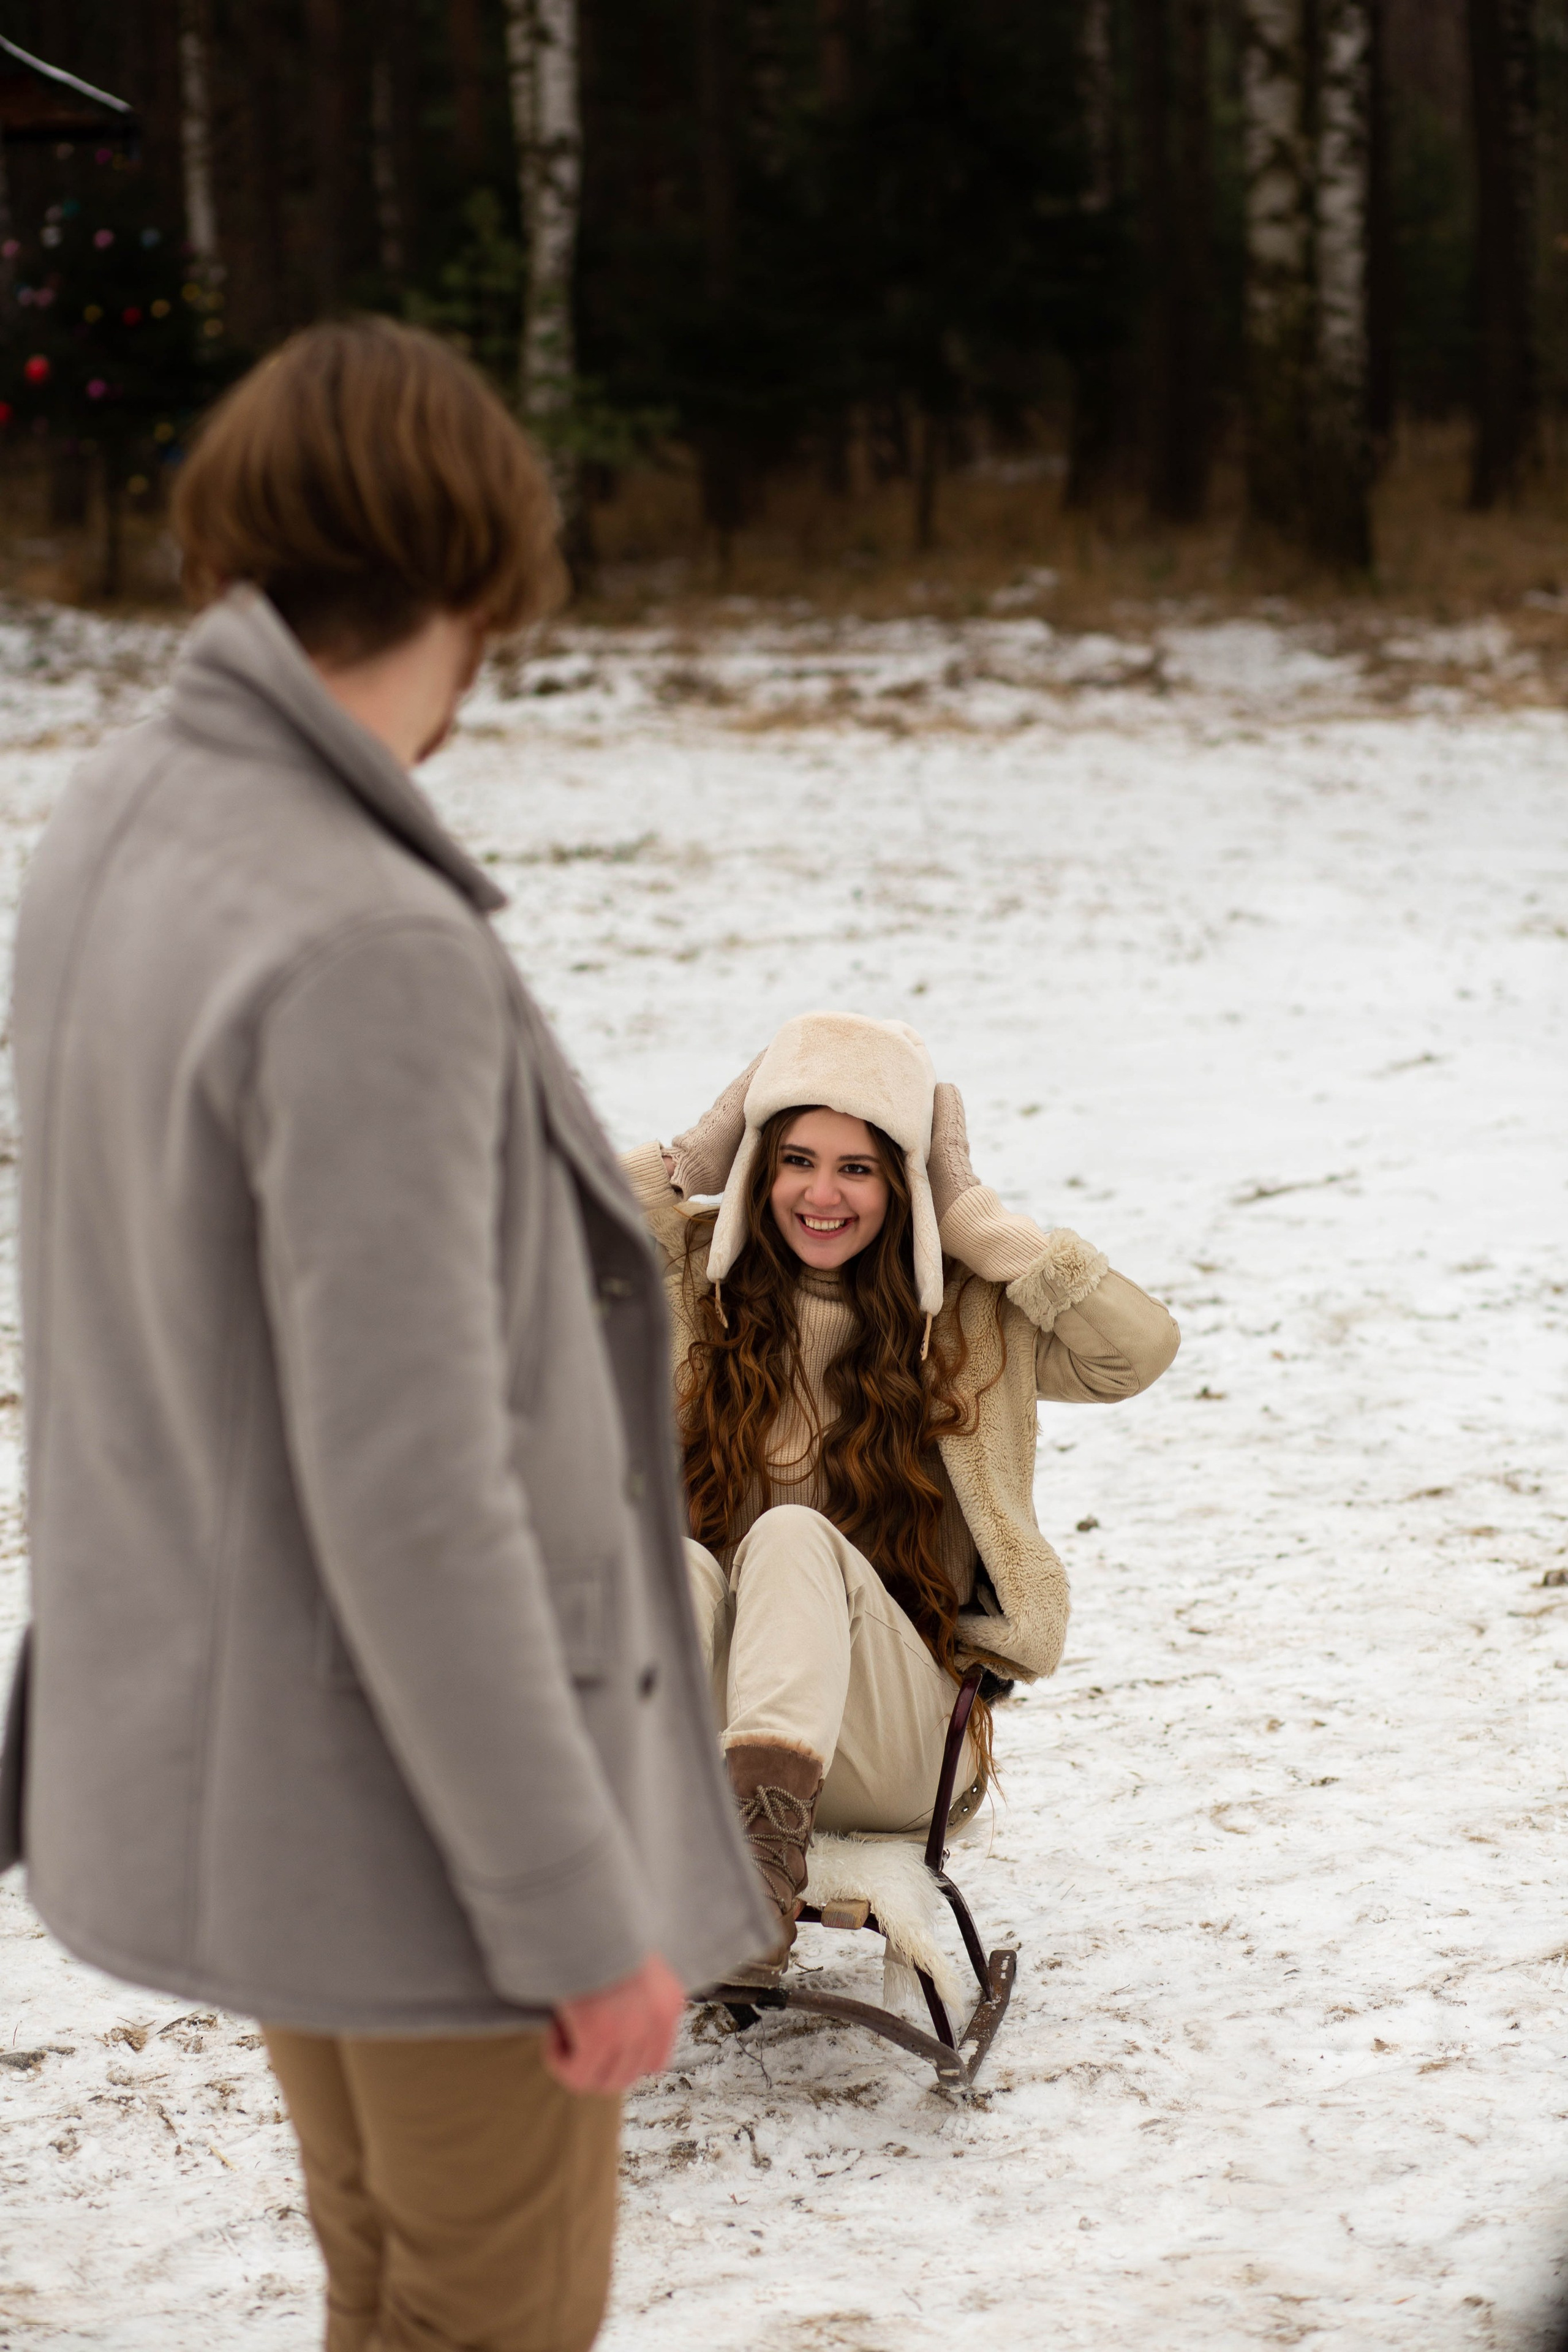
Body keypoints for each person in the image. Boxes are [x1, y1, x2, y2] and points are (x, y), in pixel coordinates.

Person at [0, 318, 769, 2352]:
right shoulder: (362, 938)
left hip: (270, 1760)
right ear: (473, 577)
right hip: (427, 1823)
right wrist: (573, 1912)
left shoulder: (126, 820)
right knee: (484, 2321)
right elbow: (418, 1492)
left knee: (392, 2297)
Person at [621, 1011, 1181, 1973]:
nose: (821, 1194)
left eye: (858, 1167)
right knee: (671, 1563)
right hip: (710, 1739)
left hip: (896, 1744)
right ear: (759, 1168)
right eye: (796, 1160)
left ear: (903, 1181)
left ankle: (746, 1887)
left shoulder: (966, 1315)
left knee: (792, 1537)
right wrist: (687, 1160)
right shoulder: (694, 1292)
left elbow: (1137, 1353)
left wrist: (981, 1225)